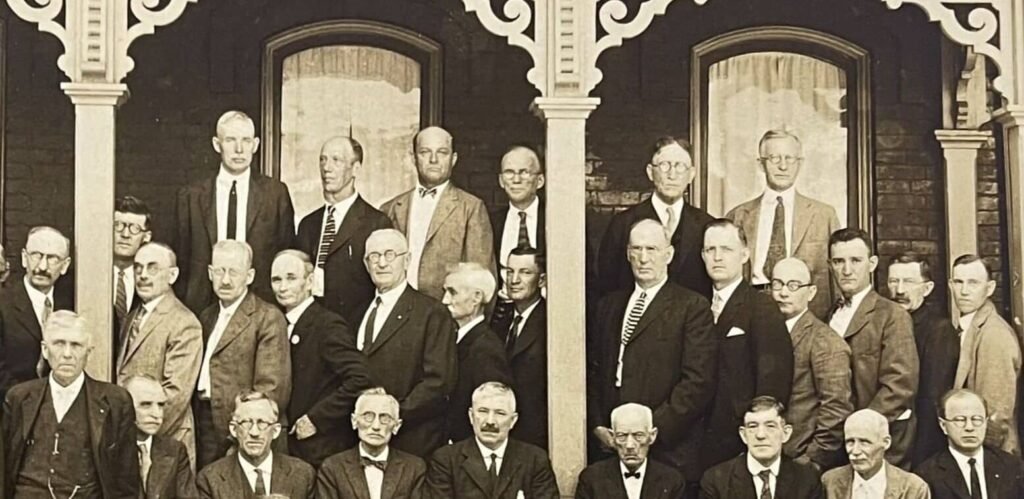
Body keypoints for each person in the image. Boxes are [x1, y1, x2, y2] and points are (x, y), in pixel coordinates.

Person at [589, 219, 717, 489]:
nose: (643, 258)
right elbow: (595, 371)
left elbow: (698, 381)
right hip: (612, 450)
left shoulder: (692, 306)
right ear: (627, 254)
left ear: (668, 255)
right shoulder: (608, 306)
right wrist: (601, 425)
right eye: (637, 249)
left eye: (652, 249)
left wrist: (647, 433)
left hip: (668, 450)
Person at [3, 311, 139, 498]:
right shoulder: (19, 398)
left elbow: (126, 482)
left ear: (88, 352)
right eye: (59, 344)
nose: (67, 354)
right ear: (44, 349)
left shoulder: (115, 402)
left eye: (76, 345)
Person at [175, 110, 295, 314]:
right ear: (216, 144)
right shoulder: (191, 195)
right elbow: (182, 258)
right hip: (202, 307)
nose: (239, 149)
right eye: (230, 140)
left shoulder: (275, 194)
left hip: (259, 306)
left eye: (246, 140)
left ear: (256, 145)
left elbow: (285, 254)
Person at [699, 219, 794, 469]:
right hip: (699, 440)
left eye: (726, 249)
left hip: (739, 440)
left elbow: (773, 382)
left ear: (744, 255)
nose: (717, 257)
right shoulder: (695, 306)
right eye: (711, 250)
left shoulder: (761, 307)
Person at [355, 228, 457, 457]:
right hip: (364, 442)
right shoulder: (358, 311)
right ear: (366, 263)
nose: (381, 263)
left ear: (407, 260)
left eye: (390, 255)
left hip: (412, 441)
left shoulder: (431, 312)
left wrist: (392, 415)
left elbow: (439, 382)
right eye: (374, 256)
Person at [271, 249, 374, 467]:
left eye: (291, 278)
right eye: (276, 279)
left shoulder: (326, 324)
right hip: (291, 447)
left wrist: (316, 419)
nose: (282, 287)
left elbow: (360, 377)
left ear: (309, 282)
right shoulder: (280, 323)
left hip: (320, 447)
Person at [194, 240, 291, 469]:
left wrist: (243, 432)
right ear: (210, 273)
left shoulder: (267, 317)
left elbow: (271, 388)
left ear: (249, 276)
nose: (225, 280)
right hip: (204, 426)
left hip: (243, 430)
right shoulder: (206, 317)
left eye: (234, 272)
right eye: (219, 271)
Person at [725, 129, 841, 317]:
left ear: (800, 163)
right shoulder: (738, 216)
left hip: (807, 312)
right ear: (761, 164)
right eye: (774, 158)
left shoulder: (824, 215)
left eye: (790, 158)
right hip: (751, 310)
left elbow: (836, 275)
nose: (783, 166)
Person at [828, 228, 918, 469]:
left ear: (872, 263)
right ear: (830, 265)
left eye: (855, 260)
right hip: (837, 443)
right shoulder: (830, 315)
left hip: (878, 444)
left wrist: (860, 430)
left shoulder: (892, 315)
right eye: (838, 261)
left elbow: (900, 385)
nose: (846, 270)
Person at [381, 126, 495, 300]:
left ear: (453, 159)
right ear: (413, 158)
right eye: (425, 152)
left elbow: (481, 281)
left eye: (442, 152)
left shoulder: (471, 208)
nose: (433, 159)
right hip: (398, 312)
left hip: (446, 317)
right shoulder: (391, 208)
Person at [116, 242, 203, 464]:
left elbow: (175, 395)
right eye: (138, 268)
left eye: (152, 268)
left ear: (172, 275)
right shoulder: (133, 316)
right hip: (133, 442)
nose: (143, 275)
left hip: (166, 442)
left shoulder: (184, 322)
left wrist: (129, 435)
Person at [597, 137, 714, 299]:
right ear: (650, 172)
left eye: (680, 166)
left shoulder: (706, 225)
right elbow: (606, 287)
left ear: (691, 175)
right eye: (664, 166)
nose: (672, 175)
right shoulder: (623, 224)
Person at [295, 136, 392, 324]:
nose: (326, 168)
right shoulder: (308, 224)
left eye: (336, 160)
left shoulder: (376, 223)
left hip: (352, 329)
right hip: (312, 328)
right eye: (323, 159)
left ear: (356, 168)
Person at [770, 257, 853, 469]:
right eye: (777, 284)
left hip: (801, 460)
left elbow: (836, 410)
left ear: (812, 292)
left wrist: (811, 461)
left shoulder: (825, 341)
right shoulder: (767, 332)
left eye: (793, 285)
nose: (783, 292)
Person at [425, 382, 559, 498]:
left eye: (500, 413)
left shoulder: (535, 460)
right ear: (471, 416)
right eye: (483, 411)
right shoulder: (446, 460)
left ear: (513, 420)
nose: (490, 421)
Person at [889, 252, 960, 466]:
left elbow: (932, 400)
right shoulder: (887, 324)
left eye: (909, 282)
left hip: (918, 448)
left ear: (927, 288)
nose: (899, 290)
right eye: (893, 281)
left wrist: (921, 461)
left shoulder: (938, 330)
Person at [949, 254, 1021, 454]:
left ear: (989, 288)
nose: (964, 291)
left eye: (973, 283)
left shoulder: (993, 334)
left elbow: (997, 414)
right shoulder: (969, 327)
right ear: (950, 285)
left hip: (990, 454)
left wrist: (980, 460)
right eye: (958, 282)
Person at [196, 391, 314, 498]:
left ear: (276, 430)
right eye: (246, 423)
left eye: (262, 423)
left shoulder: (303, 475)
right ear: (233, 429)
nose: (254, 432)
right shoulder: (210, 479)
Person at [442, 262, 512, 443]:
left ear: (476, 298)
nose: (445, 300)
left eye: (452, 292)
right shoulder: (459, 338)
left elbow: (490, 412)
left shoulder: (486, 349)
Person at [699, 396, 822, 499]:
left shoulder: (807, 479)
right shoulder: (716, 481)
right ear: (743, 435)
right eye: (753, 426)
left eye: (770, 426)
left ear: (786, 433)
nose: (760, 435)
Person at [0, 226, 73, 396]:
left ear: (65, 265)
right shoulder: (3, 303)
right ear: (24, 258)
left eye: (52, 258)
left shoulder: (72, 304)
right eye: (36, 255)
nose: (42, 266)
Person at [316, 388, 427, 499]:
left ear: (396, 426)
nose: (376, 426)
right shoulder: (332, 468)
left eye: (385, 418)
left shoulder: (414, 468)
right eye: (368, 416)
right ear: (354, 421)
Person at [915, 389, 1024, 498]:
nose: (969, 427)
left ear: (985, 423)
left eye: (976, 419)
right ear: (943, 426)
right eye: (960, 420)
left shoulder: (1012, 467)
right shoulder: (928, 475)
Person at [576, 403, 685, 499]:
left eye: (638, 435)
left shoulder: (672, 481)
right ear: (612, 437)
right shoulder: (592, 479)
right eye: (622, 436)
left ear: (652, 436)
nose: (629, 445)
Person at [490, 145, 546, 325]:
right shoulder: (490, 222)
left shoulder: (558, 220)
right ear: (500, 180)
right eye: (509, 172)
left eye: (524, 172)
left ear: (540, 180)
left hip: (548, 317)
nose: (516, 179)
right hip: (500, 317)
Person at [499, 246, 549, 449]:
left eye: (525, 272)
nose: (514, 280)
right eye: (510, 271)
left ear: (542, 280)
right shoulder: (500, 320)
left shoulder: (550, 320)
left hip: (536, 435)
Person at [821, 409, 930, 499]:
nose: (855, 451)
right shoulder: (829, 483)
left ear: (886, 442)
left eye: (864, 442)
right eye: (850, 442)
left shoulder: (913, 489)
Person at [123, 375, 198, 498]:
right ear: (124, 406)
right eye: (146, 405)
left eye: (161, 405)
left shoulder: (175, 450)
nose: (156, 414)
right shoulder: (108, 450)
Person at [113, 195, 153, 339]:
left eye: (134, 228)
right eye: (118, 225)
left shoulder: (152, 282)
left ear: (146, 236)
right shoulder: (86, 277)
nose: (125, 234)